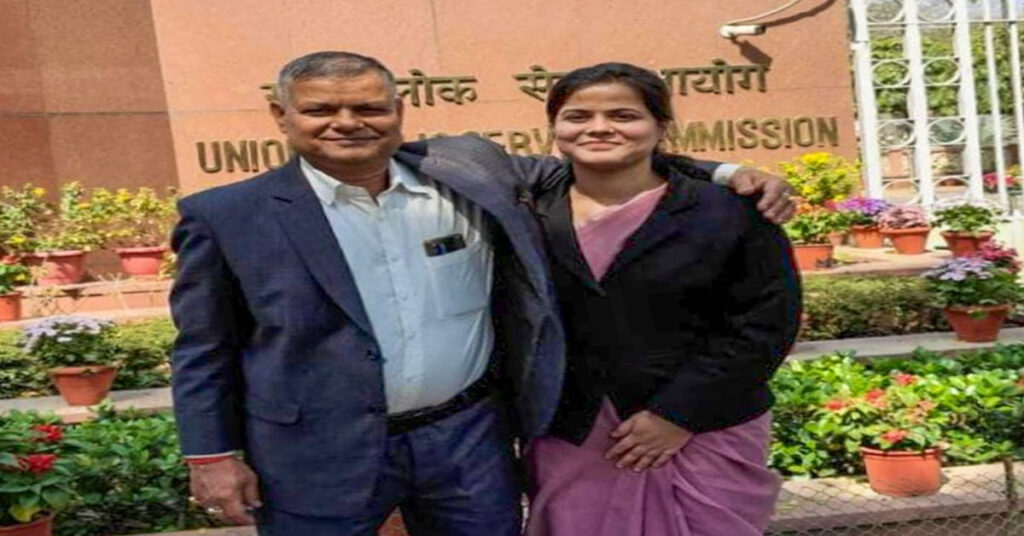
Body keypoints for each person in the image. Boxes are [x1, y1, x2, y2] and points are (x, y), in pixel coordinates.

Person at [170, 51, 795, 536]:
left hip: (464, 440)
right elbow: (204, 347)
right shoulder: (226, 216)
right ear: (281, 116)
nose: (347, 122)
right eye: (320, 109)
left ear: (399, 110)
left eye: (369, 107)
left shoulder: (465, 173)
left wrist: (727, 172)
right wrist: (210, 455)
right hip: (316, 451)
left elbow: (609, 159)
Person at [523, 63, 802, 536]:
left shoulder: (731, 213)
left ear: (660, 126)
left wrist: (678, 415)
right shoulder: (527, 208)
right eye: (578, 116)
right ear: (555, 128)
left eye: (623, 115)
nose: (599, 128)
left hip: (706, 425)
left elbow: (764, 324)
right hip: (573, 427)